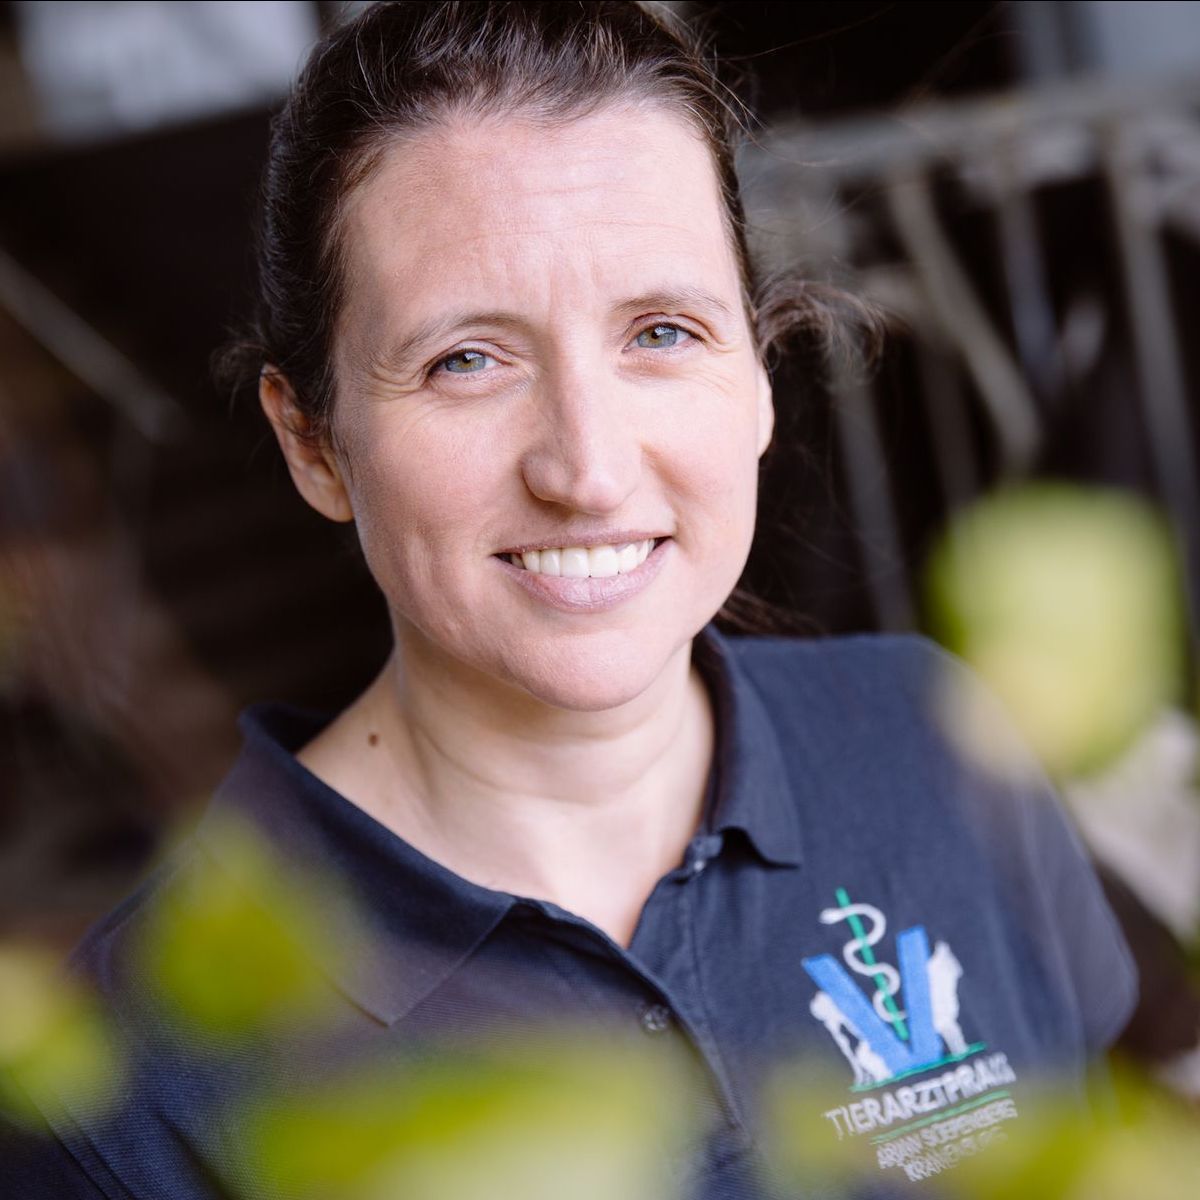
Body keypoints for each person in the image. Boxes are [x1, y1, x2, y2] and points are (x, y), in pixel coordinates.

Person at [0, 4, 1137, 1198]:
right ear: (314, 443)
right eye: (466, 361)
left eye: (660, 331)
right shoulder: (136, 1080)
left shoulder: (933, 734)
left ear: (756, 377)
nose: (586, 471)